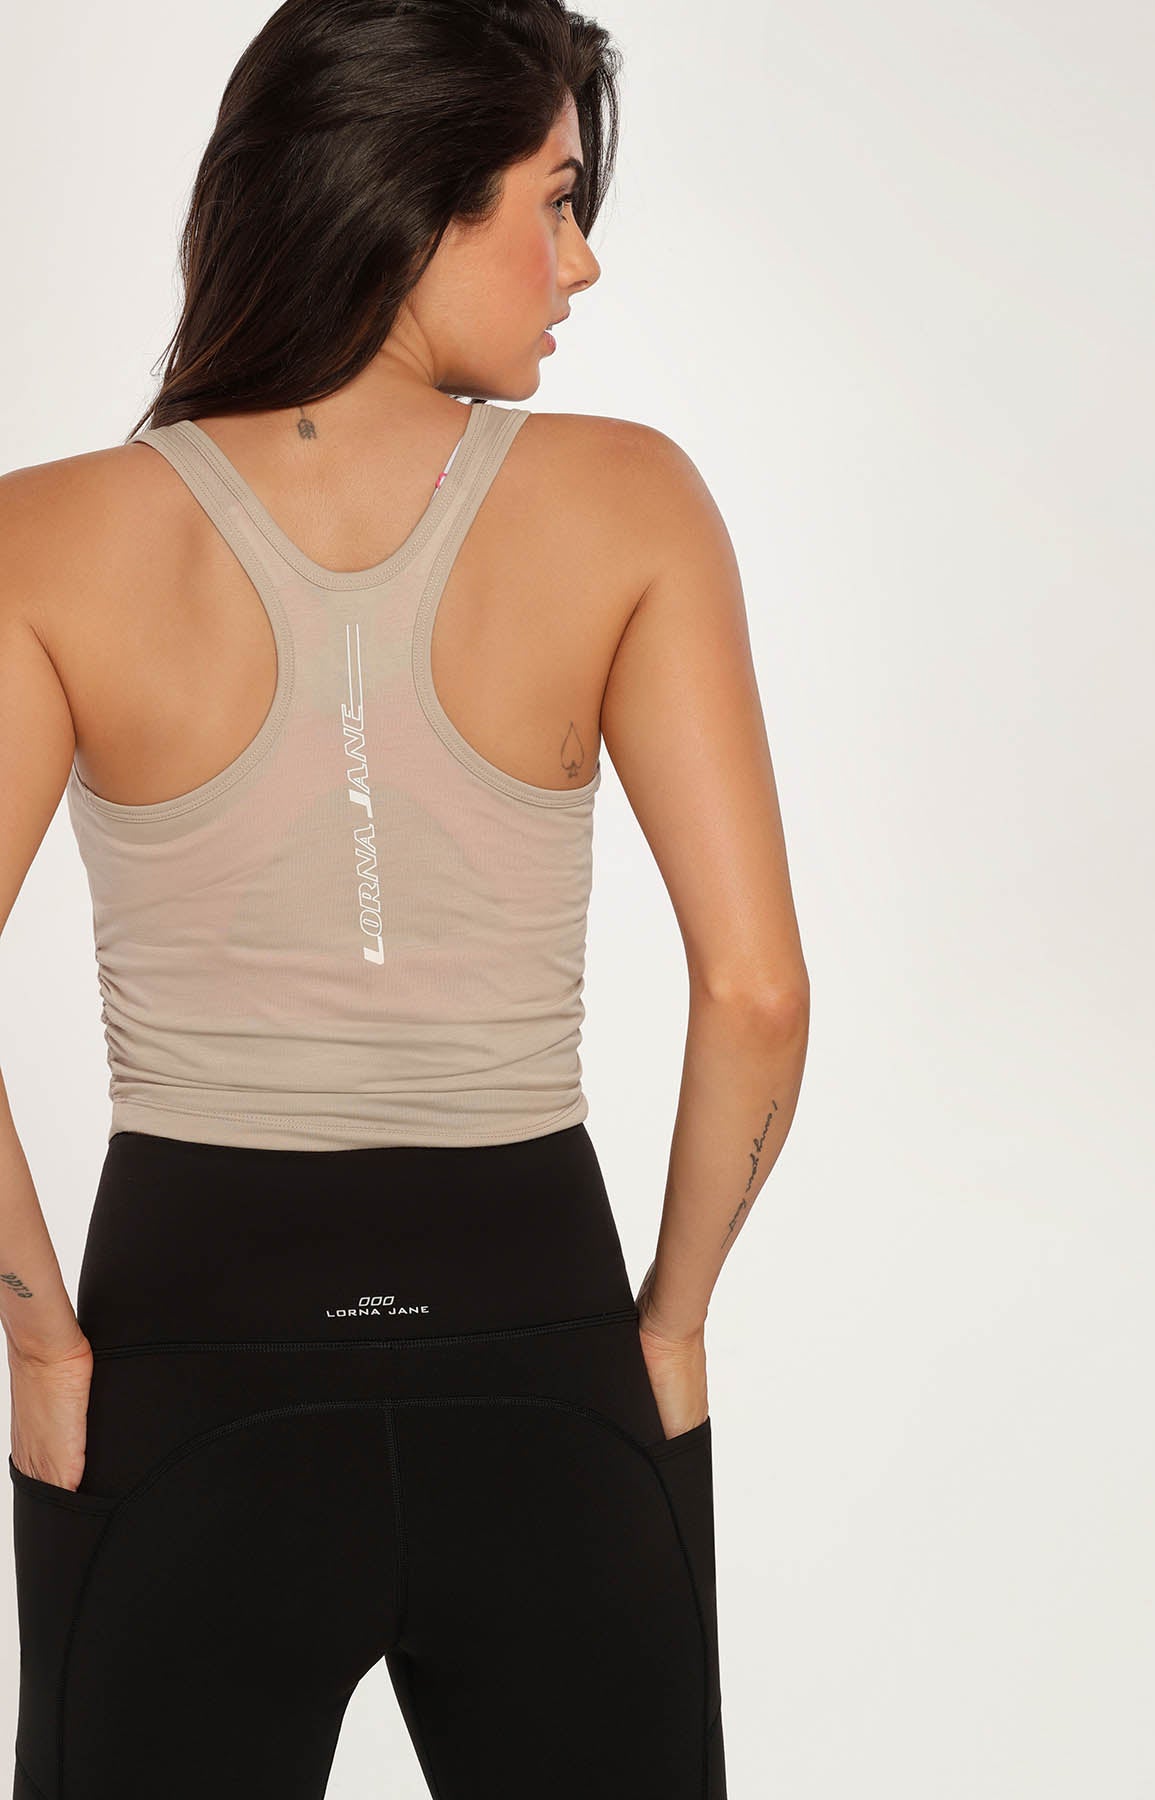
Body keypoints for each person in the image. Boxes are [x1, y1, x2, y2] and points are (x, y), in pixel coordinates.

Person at [0, 2, 809, 1795]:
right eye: (557, 199)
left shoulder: (42, 539)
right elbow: (757, 992)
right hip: (547, 1351)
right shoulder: (631, 502)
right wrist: (668, 1325)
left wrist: (40, 1337)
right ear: (414, 197)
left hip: (183, 1373)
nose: (581, 263)